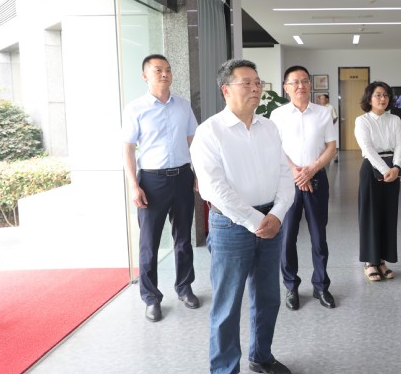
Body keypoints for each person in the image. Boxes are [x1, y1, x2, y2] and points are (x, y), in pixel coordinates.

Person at [190, 59, 294, 374]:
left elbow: (285, 174)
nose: (255, 88)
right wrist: (254, 221)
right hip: (230, 226)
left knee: (268, 298)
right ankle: (225, 369)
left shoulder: (269, 127)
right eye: (246, 82)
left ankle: (261, 356)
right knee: (227, 304)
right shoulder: (210, 132)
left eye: (257, 82)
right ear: (226, 90)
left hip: (271, 220)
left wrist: (277, 214)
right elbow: (214, 188)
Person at [121, 54, 199, 323]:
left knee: (183, 239)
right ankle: (151, 298)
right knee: (149, 243)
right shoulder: (135, 108)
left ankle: (184, 287)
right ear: (145, 76)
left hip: (182, 177)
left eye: (167, 69)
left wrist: (198, 173)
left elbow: (193, 141)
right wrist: (134, 185)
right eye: (157, 70)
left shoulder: (183, 106)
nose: (164, 73)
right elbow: (128, 149)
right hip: (152, 182)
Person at [271, 66, 337, 311]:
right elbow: (274, 147)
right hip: (287, 182)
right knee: (287, 236)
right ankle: (291, 286)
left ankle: (321, 286)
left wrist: (312, 169)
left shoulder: (322, 113)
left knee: (319, 236)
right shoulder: (277, 115)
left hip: (317, 180)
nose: (300, 86)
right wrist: (297, 172)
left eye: (305, 81)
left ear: (310, 85)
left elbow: (331, 147)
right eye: (295, 82)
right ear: (286, 88)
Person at [354, 81, 401, 282]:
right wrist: (385, 170)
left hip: (393, 168)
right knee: (370, 215)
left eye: (385, 95)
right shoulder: (362, 121)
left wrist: (396, 167)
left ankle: (382, 260)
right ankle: (370, 262)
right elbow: (367, 148)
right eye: (378, 95)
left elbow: (400, 145)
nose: (382, 99)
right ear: (369, 98)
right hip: (372, 169)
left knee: (388, 215)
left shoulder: (395, 119)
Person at [318, 93, 339, 163]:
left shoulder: (331, 107)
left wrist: (331, 125)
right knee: (323, 143)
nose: (321, 100)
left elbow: (335, 117)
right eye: (320, 99)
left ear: (327, 99)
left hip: (329, 128)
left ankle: (335, 156)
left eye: (323, 99)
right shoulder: (319, 108)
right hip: (321, 128)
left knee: (330, 142)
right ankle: (324, 158)